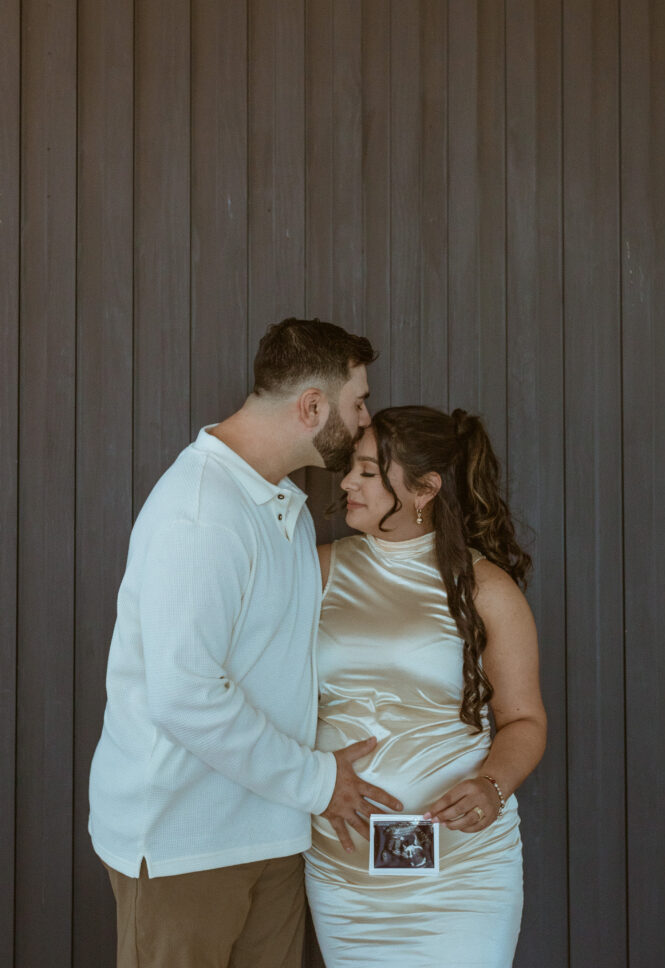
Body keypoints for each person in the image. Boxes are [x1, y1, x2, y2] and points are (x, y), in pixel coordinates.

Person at [88, 318, 402, 968]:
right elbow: (186, 696)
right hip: (186, 845)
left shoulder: (277, 504)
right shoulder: (201, 514)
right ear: (311, 407)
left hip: (270, 831)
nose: (364, 417)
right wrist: (318, 781)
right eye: (357, 401)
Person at [305, 405, 547, 967]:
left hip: (460, 872)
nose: (346, 483)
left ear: (424, 490)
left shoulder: (484, 588)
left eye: (367, 472)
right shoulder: (316, 570)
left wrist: (492, 785)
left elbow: (524, 721)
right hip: (346, 870)